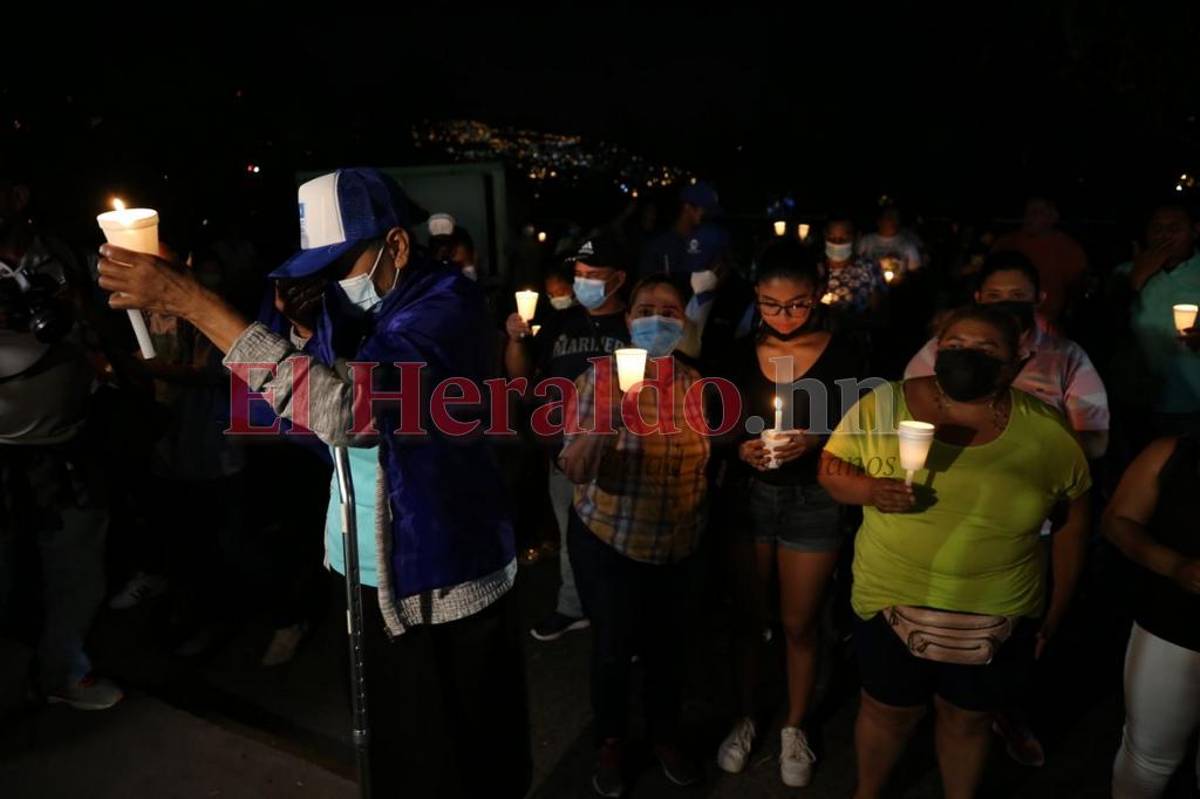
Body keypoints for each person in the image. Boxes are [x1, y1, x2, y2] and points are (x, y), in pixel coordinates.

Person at [97, 168, 530, 798]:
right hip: (360, 567)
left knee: (464, 760)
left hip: (440, 576)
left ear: (397, 247)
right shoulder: (341, 307)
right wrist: (293, 343)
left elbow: (347, 414)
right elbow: (309, 427)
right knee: (396, 755)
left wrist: (199, 304)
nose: (327, 280)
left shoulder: (447, 307)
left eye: (340, 261)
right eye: (317, 265)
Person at [819, 305, 1092, 799]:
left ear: (1016, 363)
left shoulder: (1048, 432)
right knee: (886, 711)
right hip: (889, 598)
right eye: (955, 346)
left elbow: (1073, 524)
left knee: (968, 720)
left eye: (986, 350)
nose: (967, 356)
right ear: (936, 352)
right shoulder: (885, 405)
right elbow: (831, 467)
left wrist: (1056, 611)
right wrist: (869, 491)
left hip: (997, 610)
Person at [715, 241, 863, 788]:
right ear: (756, 298)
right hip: (750, 500)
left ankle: (794, 725)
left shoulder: (846, 354)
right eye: (771, 305)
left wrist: (818, 441)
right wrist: (740, 449)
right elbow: (717, 423)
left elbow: (866, 428)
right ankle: (749, 715)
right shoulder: (734, 354)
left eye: (797, 305)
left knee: (801, 622)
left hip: (814, 500)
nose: (784, 317)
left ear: (816, 294)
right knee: (752, 620)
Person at [559, 275, 710, 796]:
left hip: (677, 546)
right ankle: (611, 742)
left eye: (670, 311)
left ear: (683, 321)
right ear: (628, 319)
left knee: (669, 651)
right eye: (646, 309)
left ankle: (665, 736)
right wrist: (610, 420)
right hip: (610, 543)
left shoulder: (695, 385)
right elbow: (574, 471)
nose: (658, 319)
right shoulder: (596, 382)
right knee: (613, 649)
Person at [0, 170, 123, 710]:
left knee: (77, 566)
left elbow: (102, 328)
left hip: (67, 441)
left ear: (17, 195)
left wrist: (80, 313)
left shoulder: (63, 256)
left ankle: (62, 670)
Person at [505, 236, 630, 642]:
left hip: (621, 455)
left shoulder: (634, 325)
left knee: (622, 542)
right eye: (579, 275)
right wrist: (517, 339)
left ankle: (624, 620)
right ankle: (573, 607)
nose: (584, 283)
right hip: (564, 453)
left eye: (594, 276)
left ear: (619, 279)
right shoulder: (561, 323)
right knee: (571, 533)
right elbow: (521, 379)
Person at [906, 250, 1110, 460]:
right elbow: (908, 417)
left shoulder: (1067, 357)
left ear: (1038, 298)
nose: (1004, 304)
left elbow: (1094, 442)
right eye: (994, 296)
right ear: (978, 298)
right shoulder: (942, 350)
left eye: (1017, 296)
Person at [1103, 435, 1200, 798]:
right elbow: (1118, 520)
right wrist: (1175, 566)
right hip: (1173, 627)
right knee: (1149, 758)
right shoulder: (1174, 454)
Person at [1109, 201, 1200, 438]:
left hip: (1193, 398)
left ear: (1195, 231)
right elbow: (1104, 328)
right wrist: (1137, 278)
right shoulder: (1124, 272)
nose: (1164, 235)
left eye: (1174, 228)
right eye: (1157, 228)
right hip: (1139, 397)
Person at [991, 196, 1087, 323]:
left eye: (1037, 212)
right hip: (1002, 317)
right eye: (1027, 212)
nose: (1029, 217)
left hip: (1047, 320)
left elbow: (1077, 284)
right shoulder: (1007, 243)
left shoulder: (1068, 247)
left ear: (1053, 217)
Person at [639, 181, 725, 276]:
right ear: (687, 207)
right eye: (705, 209)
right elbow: (645, 283)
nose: (708, 214)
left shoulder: (709, 241)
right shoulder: (659, 246)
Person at [820, 215, 886, 318]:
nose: (837, 243)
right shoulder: (815, 269)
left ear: (856, 237)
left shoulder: (870, 268)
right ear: (825, 236)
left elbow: (879, 312)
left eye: (844, 238)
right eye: (831, 238)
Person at [857, 205, 922, 281]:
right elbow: (856, 264)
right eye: (889, 217)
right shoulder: (867, 240)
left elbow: (915, 271)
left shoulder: (907, 243)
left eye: (896, 218)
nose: (894, 221)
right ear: (879, 221)